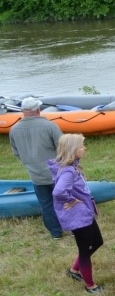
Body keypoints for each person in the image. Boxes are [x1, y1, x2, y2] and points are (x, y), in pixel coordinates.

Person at [48, 134, 104, 293]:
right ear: (72, 150)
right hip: (78, 217)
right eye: (81, 146)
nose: (84, 148)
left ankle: (74, 270)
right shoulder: (68, 171)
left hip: (84, 213)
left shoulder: (71, 167)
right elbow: (58, 192)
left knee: (97, 241)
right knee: (85, 250)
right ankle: (90, 286)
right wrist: (72, 200)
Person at [9, 97, 64, 238]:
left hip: (35, 174)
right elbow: (63, 148)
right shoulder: (50, 126)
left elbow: (17, 153)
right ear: (38, 109)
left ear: (23, 111)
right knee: (66, 200)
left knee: (46, 204)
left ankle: (55, 233)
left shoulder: (14, 130)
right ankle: (75, 228)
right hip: (56, 172)